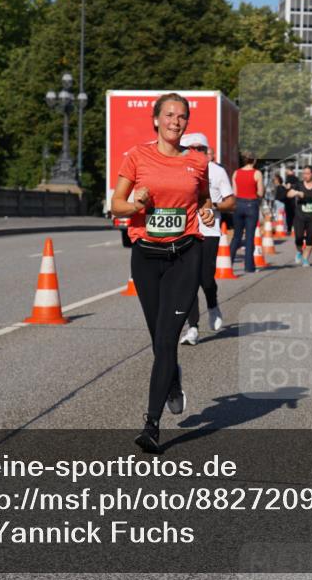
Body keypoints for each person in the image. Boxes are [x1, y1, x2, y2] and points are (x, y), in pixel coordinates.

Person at [110, 93, 215, 454]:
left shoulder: (197, 161)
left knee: (168, 340)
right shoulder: (137, 157)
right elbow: (116, 206)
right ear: (155, 120)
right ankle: (172, 380)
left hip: (186, 254)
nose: (175, 121)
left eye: (182, 116)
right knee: (159, 340)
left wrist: (208, 210)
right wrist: (136, 204)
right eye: (169, 115)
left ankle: (151, 426)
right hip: (147, 257)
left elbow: (202, 198)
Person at [179, 132, 235, 347]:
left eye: (199, 149)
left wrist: (214, 206)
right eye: (189, 149)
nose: (194, 153)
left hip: (209, 231)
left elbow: (231, 203)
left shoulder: (217, 171)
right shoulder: (178, 171)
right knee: (188, 282)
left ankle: (212, 305)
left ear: (206, 152)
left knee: (205, 279)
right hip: (184, 232)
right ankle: (192, 328)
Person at [230, 153, 264, 274]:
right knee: (250, 237)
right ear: (254, 161)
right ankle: (249, 266)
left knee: (236, 236)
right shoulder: (257, 173)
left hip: (238, 204)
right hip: (251, 204)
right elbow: (260, 192)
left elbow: (234, 192)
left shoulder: (236, 173)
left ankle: (228, 262)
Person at [288, 165, 312, 267]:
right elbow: (289, 194)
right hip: (300, 215)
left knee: (310, 238)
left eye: (307, 173)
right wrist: (297, 193)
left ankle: (306, 259)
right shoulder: (299, 185)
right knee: (298, 237)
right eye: (304, 173)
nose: (305, 175)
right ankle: (299, 251)